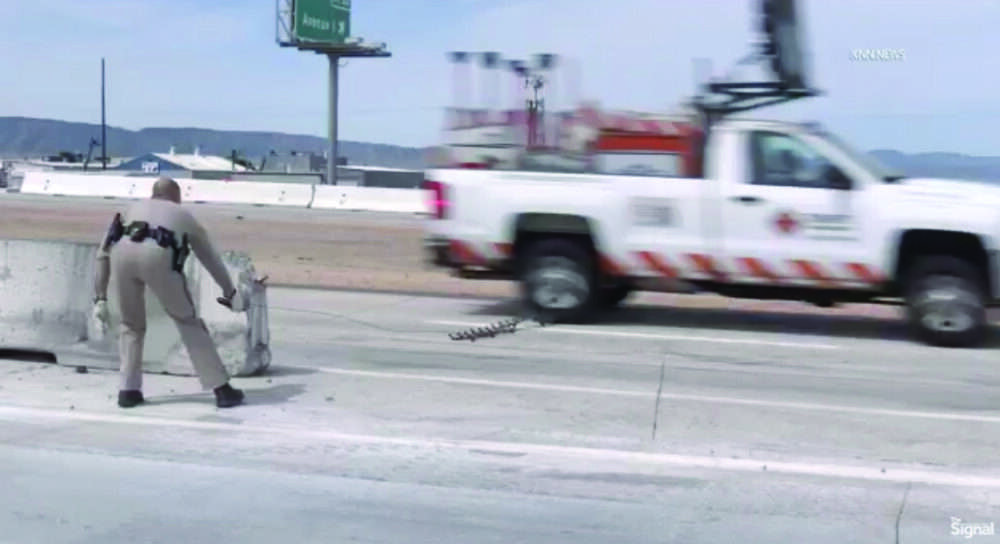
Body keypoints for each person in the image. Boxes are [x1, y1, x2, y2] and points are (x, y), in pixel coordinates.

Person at [91, 176, 247, 409]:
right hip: (158, 257)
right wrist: (229, 292)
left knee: (130, 326)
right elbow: (210, 259)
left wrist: (100, 297)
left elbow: (102, 254)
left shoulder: (130, 209)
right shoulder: (182, 215)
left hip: (121, 257)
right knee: (187, 322)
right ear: (176, 196)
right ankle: (222, 389)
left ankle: (129, 391)